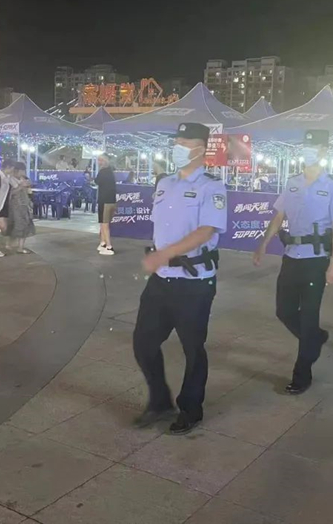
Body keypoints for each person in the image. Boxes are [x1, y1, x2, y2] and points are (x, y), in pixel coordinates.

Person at [132, 122, 227, 435]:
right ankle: (160, 401)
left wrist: (165, 253)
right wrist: (160, 257)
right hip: (161, 279)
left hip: (194, 281)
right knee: (143, 343)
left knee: (192, 348)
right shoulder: (165, 183)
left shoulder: (212, 187)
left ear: (200, 148)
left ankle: (191, 408)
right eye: (176, 141)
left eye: (184, 143)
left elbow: (206, 231)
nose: (178, 147)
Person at [253, 130, 333, 394]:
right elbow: (278, 217)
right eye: (306, 147)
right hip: (291, 257)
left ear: (323, 152)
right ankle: (315, 339)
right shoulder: (292, 182)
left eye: (314, 147)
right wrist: (263, 244)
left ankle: (302, 374)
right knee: (284, 311)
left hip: (316, 261)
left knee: (308, 317)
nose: (308, 151)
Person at [7, 163, 35, 254]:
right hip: (15, 206)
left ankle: (19, 246)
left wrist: (27, 186)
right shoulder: (10, 180)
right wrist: (21, 186)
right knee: (17, 225)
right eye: (22, 171)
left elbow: (28, 192)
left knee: (24, 225)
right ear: (16, 170)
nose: (23, 173)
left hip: (24, 205)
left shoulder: (23, 179)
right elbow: (10, 194)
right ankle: (13, 245)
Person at [96, 154, 117, 255]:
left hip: (105, 201)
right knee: (102, 222)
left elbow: (97, 181)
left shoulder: (103, 172)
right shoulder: (111, 172)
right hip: (111, 201)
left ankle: (109, 246)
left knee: (104, 224)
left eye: (100, 160)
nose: (99, 162)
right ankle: (103, 242)